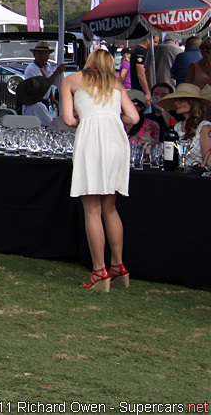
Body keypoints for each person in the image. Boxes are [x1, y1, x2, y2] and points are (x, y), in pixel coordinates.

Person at [60, 49, 138, 292]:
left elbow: (68, 120)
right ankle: (118, 266)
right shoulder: (115, 85)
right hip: (116, 140)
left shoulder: (71, 81)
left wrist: (86, 116)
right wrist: (111, 116)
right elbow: (134, 117)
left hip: (91, 140)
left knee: (92, 210)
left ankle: (99, 271)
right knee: (110, 207)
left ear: (89, 61)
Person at [156, 83, 211, 171]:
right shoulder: (177, 127)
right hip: (177, 176)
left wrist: (191, 169)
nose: (176, 103)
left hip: (196, 178)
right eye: (176, 100)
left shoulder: (205, 128)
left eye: (181, 100)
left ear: (193, 103)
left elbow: (208, 162)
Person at [22, 41, 65, 128]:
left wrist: (52, 99)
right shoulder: (32, 69)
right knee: (52, 126)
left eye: (45, 53)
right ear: (34, 54)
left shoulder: (47, 66)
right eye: (40, 53)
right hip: (34, 103)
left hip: (43, 102)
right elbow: (45, 84)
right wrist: (57, 72)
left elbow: (48, 84)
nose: (43, 56)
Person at [129, 37, 153, 106]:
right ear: (148, 40)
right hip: (140, 91)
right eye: (154, 42)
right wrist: (147, 92)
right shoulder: (141, 51)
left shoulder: (140, 50)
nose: (155, 45)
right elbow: (141, 73)